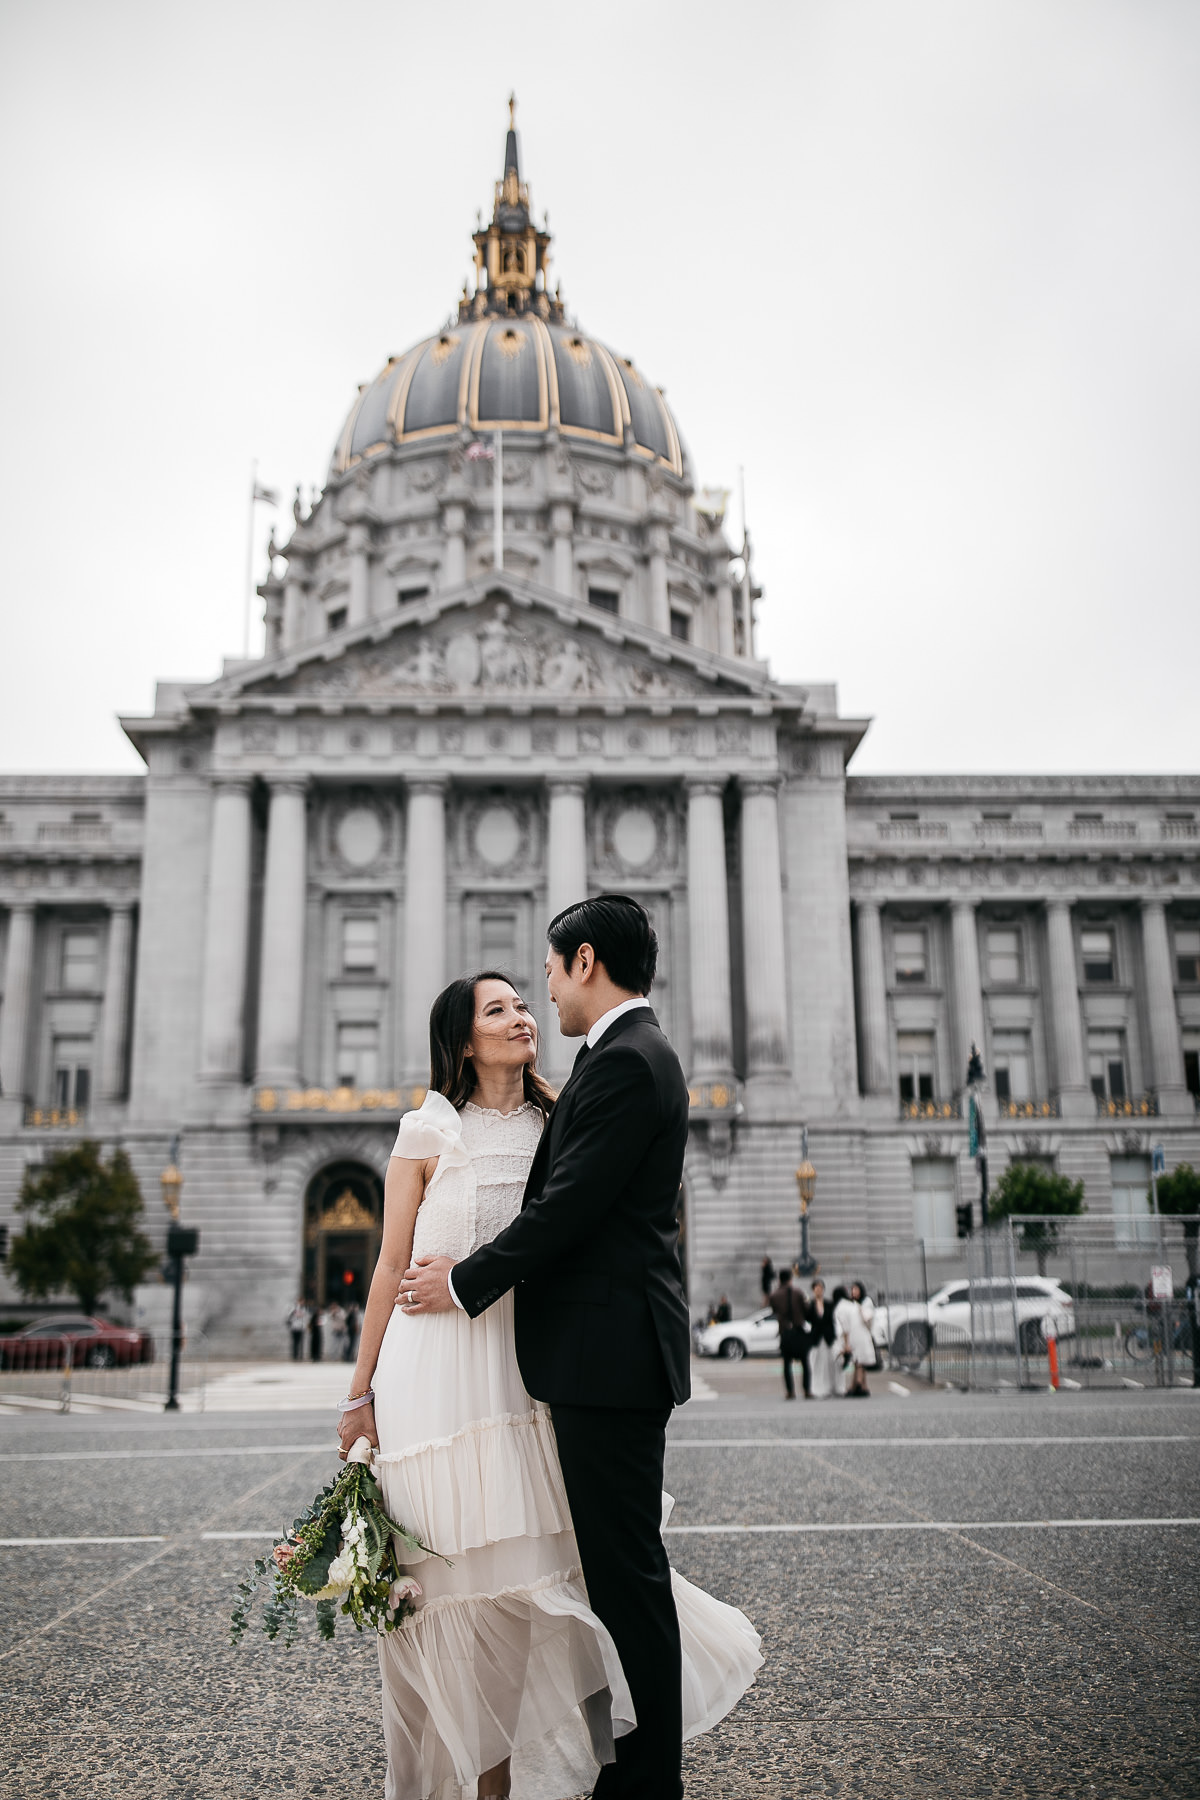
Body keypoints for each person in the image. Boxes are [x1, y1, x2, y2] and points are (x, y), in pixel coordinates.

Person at [341, 922, 761, 1798]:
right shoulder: (427, 1130)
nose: (529, 1010)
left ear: (584, 965)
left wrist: (464, 1282)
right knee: (449, 1589)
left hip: (526, 1371)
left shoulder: (569, 1102)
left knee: (558, 1579)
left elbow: (565, 1217)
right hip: (437, 1375)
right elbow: (388, 1268)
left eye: (533, 994)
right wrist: (360, 1392)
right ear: (463, 1037)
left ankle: (598, 1768)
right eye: (502, 1006)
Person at [769, 1266, 810, 1400]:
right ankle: (806, 1389)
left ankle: (790, 1391)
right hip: (798, 1330)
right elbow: (806, 1310)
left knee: (786, 1363)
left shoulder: (774, 1295)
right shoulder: (798, 1292)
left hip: (785, 1332)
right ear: (790, 1279)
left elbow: (774, 1311)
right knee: (805, 1362)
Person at [836, 1280, 877, 1397]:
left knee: (860, 1360)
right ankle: (861, 1386)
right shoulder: (850, 1304)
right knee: (858, 1361)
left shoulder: (865, 1302)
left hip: (862, 1335)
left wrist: (861, 1309)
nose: (853, 1292)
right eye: (852, 1289)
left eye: (856, 1289)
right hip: (854, 1335)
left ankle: (858, 1385)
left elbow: (868, 1318)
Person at [807, 1278, 836, 1399]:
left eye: (820, 1288)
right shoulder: (810, 1305)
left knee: (827, 1363)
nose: (819, 1290)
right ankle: (816, 1388)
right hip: (815, 1337)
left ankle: (827, 1387)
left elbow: (832, 1320)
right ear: (813, 1290)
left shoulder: (829, 1304)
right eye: (816, 1288)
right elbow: (808, 1320)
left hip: (827, 1337)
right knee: (815, 1363)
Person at [286, 1298, 309, 1362]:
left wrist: (305, 1326)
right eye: (301, 1302)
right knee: (295, 1343)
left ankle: (301, 1356)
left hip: (301, 1328)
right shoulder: (294, 1308)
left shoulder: (304, 1308)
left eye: (303, 1302)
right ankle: (295, 1356)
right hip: (295, 1327)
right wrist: (295, 1316)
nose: (302, 1303)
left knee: (301, 1343)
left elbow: (305, 1317)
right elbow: (289, 1316)